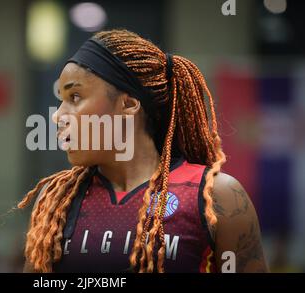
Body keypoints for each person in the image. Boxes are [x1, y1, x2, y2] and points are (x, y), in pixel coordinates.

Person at [18, 29, 268, 273]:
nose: (58, 116)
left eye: (74, 96)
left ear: (128, 104)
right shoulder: (57, 200)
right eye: (60, 99)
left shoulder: (216, 196)